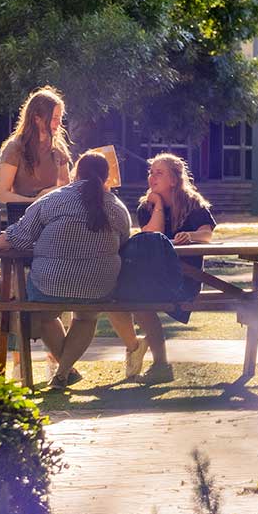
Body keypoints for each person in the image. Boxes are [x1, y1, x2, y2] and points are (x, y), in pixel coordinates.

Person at [0, 150, 130, 387]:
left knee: (45, 316)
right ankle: (64, 372)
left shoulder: (53, 199)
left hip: (49, 282)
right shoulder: (117, 207)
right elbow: (124, 243)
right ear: (106, 178)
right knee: (86, 317)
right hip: (99, 285)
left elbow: (17, 236)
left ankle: (65, 370)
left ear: (75, 173)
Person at [110, 153, 217, 379]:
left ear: (174, 180)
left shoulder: (193, 204)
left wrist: (191, 235)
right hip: (154, 277)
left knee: (139, 299)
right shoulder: (146, 207)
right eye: (151, 173)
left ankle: (160, 364)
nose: (152, 177)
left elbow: (207, 234)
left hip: (184, 281)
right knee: (125, 298)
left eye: (159, 173)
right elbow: (153, 236)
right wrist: (158, 204)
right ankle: (156, 362)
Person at [0, 87, 72, 221]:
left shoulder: (58, 148)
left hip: (53, 218)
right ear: (37, 118)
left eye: (60, 118)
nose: (59, 123)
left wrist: (49, 193)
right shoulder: (14, 148)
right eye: (55, 118)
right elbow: (2, 194)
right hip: (21, 219)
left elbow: (66, 186)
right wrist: (34, 201)